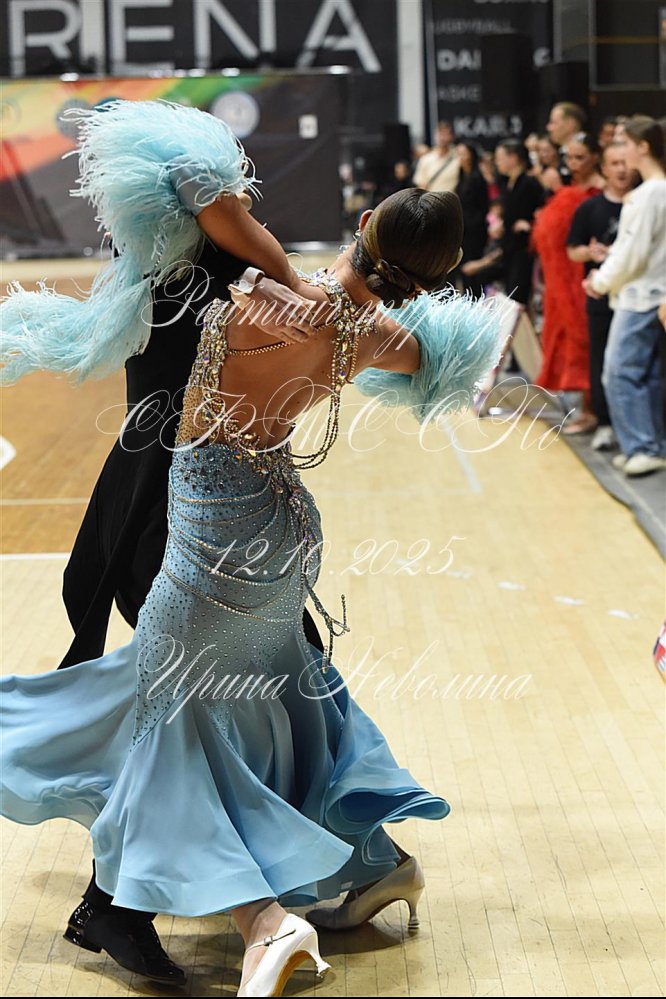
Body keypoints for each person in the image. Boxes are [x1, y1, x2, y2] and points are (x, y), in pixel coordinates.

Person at [1, 111, 504, 995]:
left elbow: (199, 187)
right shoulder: (365, 335)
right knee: (274, 698)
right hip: (287, 532)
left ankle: (248, 918)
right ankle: (367, 860)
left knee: (178, 717)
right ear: (430, 278)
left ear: (362, 223)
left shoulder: (249, 300)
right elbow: (443, 357)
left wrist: (283, 273)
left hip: (208, 525)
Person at [2, 99, 329, 982]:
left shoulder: (177, 263)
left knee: (255, 685)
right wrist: (288, 272)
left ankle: (183, 888)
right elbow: (215, 196)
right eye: (226, 189)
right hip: (168, 510)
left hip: (188, 501)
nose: (239, 198)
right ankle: (122, 903)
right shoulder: (192, 255)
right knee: (196, 701)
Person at [584, 115, 666, 476]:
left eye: (626, 143)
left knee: (619, 372)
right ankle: (650, 444)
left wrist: (601, 281)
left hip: (640, 296)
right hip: (647, 294)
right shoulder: (654, 191)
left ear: (643, 147)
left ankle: (643, 446)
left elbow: (633, 252)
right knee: (645, 375)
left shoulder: (651, 193)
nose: (622, 150)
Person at [533, 132, 605, 427]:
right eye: (570, 158)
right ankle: (588, 407)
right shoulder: (568, 192)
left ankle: (594, 410)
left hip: (585, 278)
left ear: (594, 157)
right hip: (561, 279)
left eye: (580, 157)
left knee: (587, 340)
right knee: (570, 339)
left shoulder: (598, 194)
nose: (573, 164)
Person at [567, 141, 633, 449]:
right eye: (615, 163)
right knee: (601, 359)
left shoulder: (644, 202)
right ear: (604, 168)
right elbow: (573, 250)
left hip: (636, 297)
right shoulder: (589, 208)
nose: (621, 169)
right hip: (600, 296)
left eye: (625, 162)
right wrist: (590, 253)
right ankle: (605, 422)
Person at [494, 139, 545, 307]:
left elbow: (543, 209)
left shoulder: (529, 183)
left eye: (500, 158)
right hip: (509, 246)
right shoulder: (507, 182)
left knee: (517, 298)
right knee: (510, 296)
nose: (497, 162)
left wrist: (530, 223)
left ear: (513, 157)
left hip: (523, 248)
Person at [454, 142, 489, 297]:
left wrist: (471, 224)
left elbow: (483, 207)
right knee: (464, 271)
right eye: (459, 154)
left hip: (474, 231)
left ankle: (476, 301)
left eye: (464, 153)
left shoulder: (477, 178)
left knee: (473, 270)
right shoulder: (462, 176)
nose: (461, 157)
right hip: (464, 230)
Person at [413, 121, 460, 193]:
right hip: (431, 198)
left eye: (446, 134)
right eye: (440, 134)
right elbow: (421, 185)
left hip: (451, 198)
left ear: (452, 136)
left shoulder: (459, 157)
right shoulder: (425, 159)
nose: (442, 138)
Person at [546, 101, 587, 184]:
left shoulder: (586, 149)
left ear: (570, 124)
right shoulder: (563, 152)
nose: (549, 128)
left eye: (553, 122)